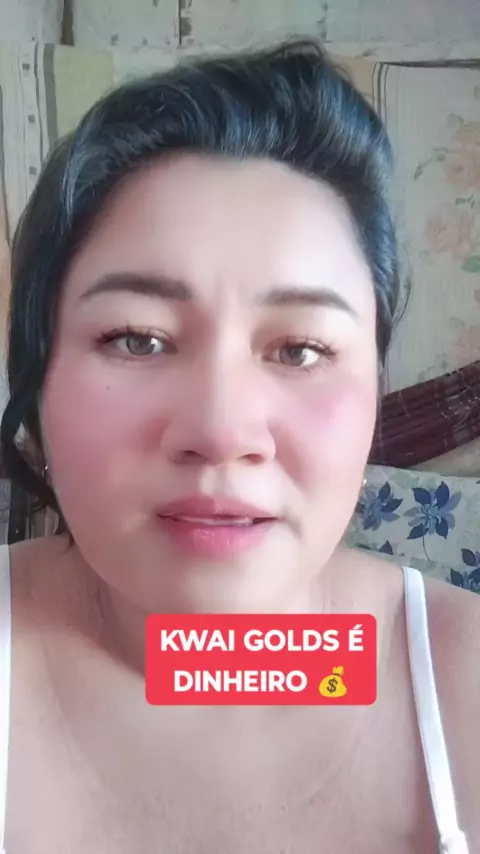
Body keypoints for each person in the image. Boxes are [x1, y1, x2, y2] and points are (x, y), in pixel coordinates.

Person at [0, 40, 477, 854]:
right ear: (37, 380)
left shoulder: (466, 687)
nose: (221, 431)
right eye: (137, 339)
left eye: (300, 349)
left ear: (373, 387)